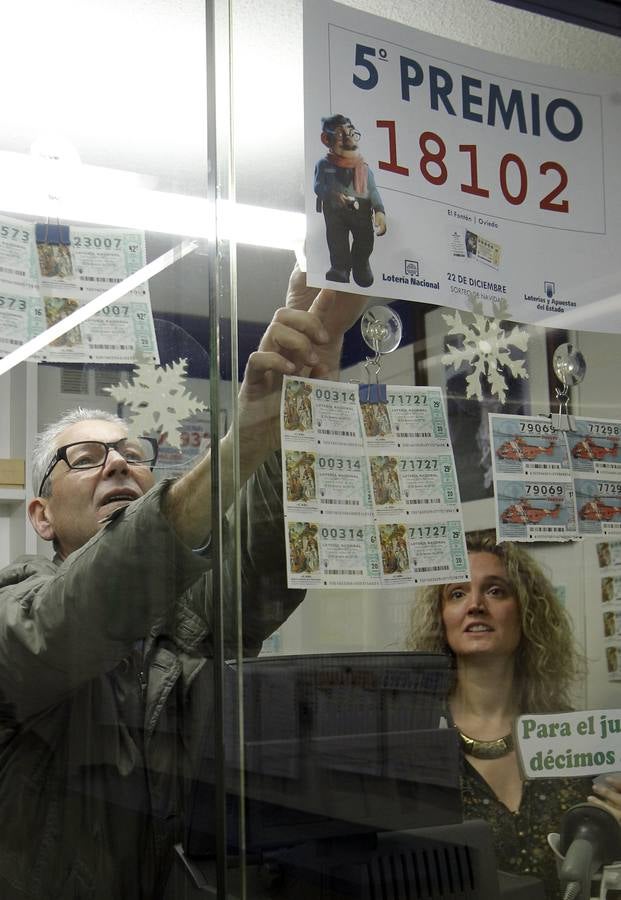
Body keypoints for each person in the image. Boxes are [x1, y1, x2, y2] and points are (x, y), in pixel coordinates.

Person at [0, 265, 367, 900]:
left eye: (133, 454)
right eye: (86, 459)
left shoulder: (191, 607)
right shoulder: (16, 610)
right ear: (41, 516)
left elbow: (270, 559)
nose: (118, 461)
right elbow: (81, 611)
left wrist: (296, 409)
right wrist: (243, 433)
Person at [406, 531, 621, 900]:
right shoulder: (414, 742)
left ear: (526, 613)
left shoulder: (576, 737)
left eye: (495, 590)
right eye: (457, 593)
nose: (475, 605)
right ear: (440, 619)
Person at [314, 113, 387, 287]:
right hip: (335, 211)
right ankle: (340, 268)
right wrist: (333, 195)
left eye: (351, 133)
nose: (348, 139)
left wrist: (379, 211)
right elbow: (318, 186)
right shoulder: (324, 165)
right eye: (340, 134)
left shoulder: (364, 169)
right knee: (336, 240)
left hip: (361, 211)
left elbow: (373, 191)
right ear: (327, 139)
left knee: (365, 240)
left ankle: (361, 265)